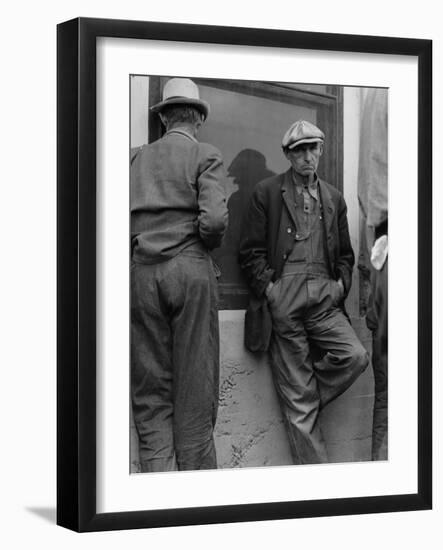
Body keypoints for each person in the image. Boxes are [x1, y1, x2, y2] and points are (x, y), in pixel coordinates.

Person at [239, 120, 369, 464]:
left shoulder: (334, 198)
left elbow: (345, 254)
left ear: (322, 151)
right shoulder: (267, 192)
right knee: (301, 413)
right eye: (299, 150)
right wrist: (271, 290)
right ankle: (319, 490)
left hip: (325, 300)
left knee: (355, 356)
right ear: (287, 155)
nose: (307, 156)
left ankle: (302, 399)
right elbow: (249, 251)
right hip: (285, 299)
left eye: (313, 148)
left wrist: (340, 286)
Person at [130, 78, 228, 472]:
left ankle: (155, 490)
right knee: (195, 386)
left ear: (164, 118)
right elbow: (215, 221)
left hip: (141, 274)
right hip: (189, 270)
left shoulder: (135, 159)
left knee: (150, 388)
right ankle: (197, 498)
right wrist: (198, 241)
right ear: (197, 120)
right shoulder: (205, 154)